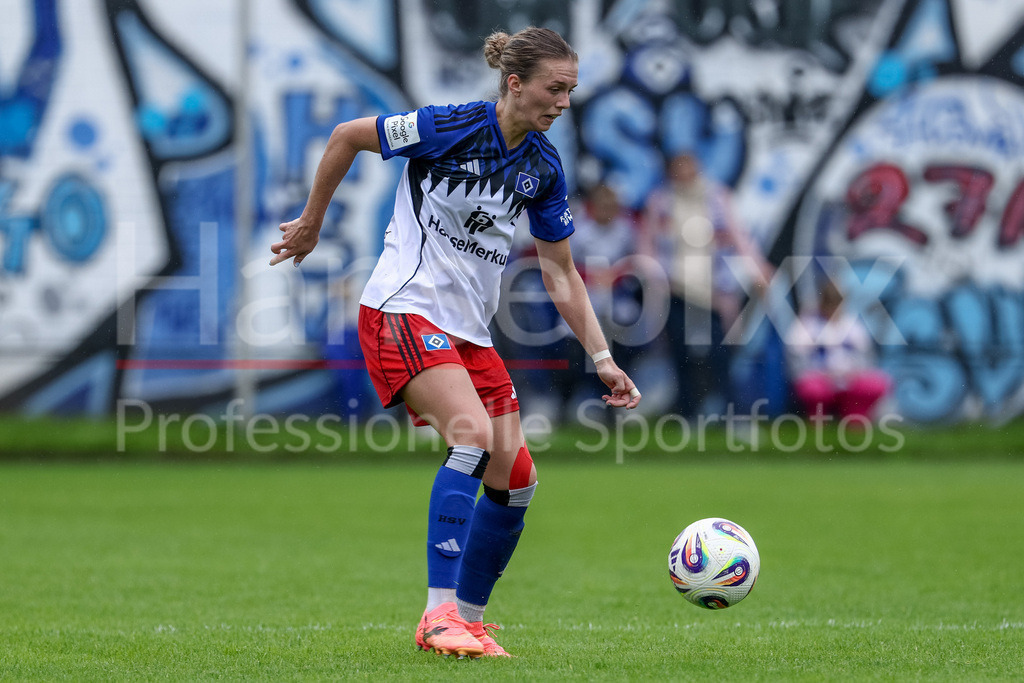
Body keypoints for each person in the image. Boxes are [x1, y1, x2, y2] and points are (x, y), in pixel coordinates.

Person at [270, 27, 641, 658]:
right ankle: (436, 614)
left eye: (572, 91)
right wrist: (312, 222)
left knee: (517, 477)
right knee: (469, 435)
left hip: (467, 335)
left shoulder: (545, 168)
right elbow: (349, 136)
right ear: (514, 83)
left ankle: (464, 619)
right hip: (401, 311)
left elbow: (559, 271)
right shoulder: (449, 126)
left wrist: (603, 358)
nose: (564, 103)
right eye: (555, 88)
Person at [642, 152, 773, 416]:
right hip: (676, 289)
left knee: (721, 353)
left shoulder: (716, 198)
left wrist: (759, 270)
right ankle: (687, 412)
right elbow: (647, 245)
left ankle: (728, 412)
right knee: (682, 354)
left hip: (715, 291)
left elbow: (739, 238)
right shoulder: (661, 202)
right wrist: (653, 276)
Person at [785, 279, 891, 424]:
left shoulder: (852, 323)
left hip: (850, 379)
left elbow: (866, 356)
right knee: (812, 389)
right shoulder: (808, 323)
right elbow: (797, 359)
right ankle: (818, 421)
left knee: (877, 383)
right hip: (820, 379)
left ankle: (855, 420)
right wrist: (822, 373)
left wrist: (852, 372)